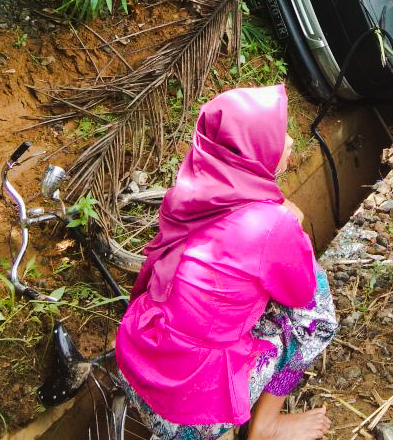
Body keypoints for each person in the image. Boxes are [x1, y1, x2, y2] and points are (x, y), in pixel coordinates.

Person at [115, 85, 337, 440]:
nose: (291, 141)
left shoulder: (189, 193)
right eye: (279, 134)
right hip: (191, 412)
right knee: (316, 316)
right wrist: (295, 229)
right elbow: (300, 293)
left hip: (136, 367)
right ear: (251, 152)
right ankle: (266, 425)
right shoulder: (272, 225)